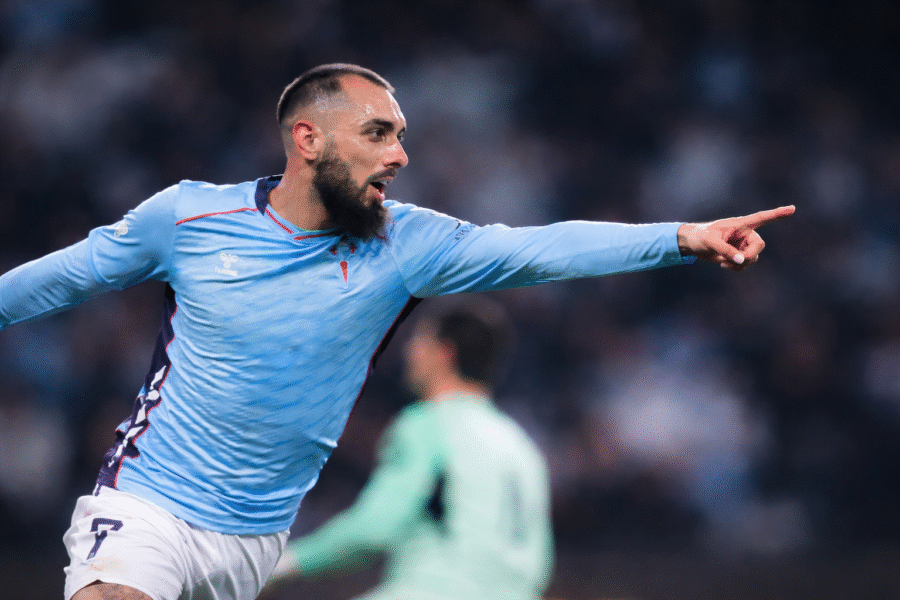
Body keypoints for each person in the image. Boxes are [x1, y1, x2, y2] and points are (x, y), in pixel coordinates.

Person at [0, 62, 794, 600]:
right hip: (148, 504)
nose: (402, 154)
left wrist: (682, 236)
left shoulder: (405, 245)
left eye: (401, 134)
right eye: (379, 132)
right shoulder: (188, 217)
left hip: (257, 540)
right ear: (308, 139)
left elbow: (535, 249)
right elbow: (61, 278)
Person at [264, 297, 553, 599]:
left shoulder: (430, 425)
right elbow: (539, 558)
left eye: (418, 340)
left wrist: (286, 562)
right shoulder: (523, 447)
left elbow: (375, 527)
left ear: (444, 353)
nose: (408, 351)